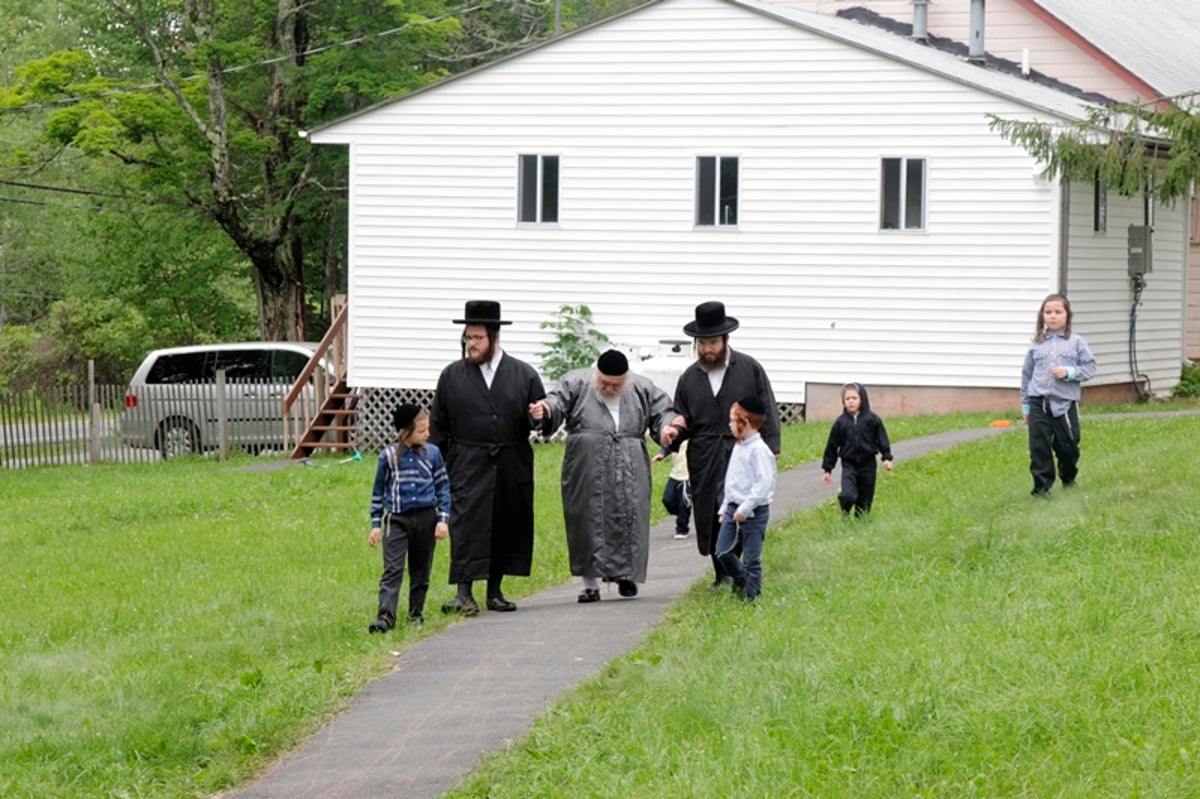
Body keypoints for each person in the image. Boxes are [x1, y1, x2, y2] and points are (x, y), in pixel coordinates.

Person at [430, 300, 547, 615]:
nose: (472, 344)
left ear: (495, 338)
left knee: (505, 522)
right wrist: (435, 468)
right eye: (468, 338)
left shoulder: (523, 374)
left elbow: (543, 419)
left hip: (511, 461)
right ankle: (463, 592)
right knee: (467, 523)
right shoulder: (452, 376)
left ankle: (495, 591)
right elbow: (438, 427)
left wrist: (540, 416)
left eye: (478, 338)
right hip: (467, 461)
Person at [530, 349, 674, 603]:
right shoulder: (577, 381)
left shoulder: (642, 387)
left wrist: (667, 429)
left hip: (630, 461)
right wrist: (546, 409)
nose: (608, 388)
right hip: (586, 462)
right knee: (586, 516)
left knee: (631, 512)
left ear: (626, 380)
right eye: (604, 382)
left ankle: (627, 576)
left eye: (614, 385)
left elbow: (663, 413)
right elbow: (556, 401)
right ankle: (589, 583)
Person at [660, 301, 780, 589]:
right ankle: (721, 571)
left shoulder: (749, 368)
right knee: (709, 513)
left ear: (725, 340)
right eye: (701, 343)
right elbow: (681, 415)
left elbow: (768, 407)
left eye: (712, 342)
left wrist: (773, 446)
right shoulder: (690, 376)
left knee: (740, 507)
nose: (706, 349)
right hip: (704, 454)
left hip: (742, 450)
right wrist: (671, 436)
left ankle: (738, 570)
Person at [367, 404, 450, 632]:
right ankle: (386, 618)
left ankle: (416, 614)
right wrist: (375, 524)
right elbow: (378, 492)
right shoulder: (388, 457)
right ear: (404, 432)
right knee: (392, 570)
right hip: (397, 520)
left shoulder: (433, 454)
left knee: (421, 571)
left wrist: (443, 519)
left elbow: (443, 487)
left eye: (427, 430)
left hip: (426, 519)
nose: (427, 434)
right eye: (421, 431)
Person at [1020, 292, 1096, 497]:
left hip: (1064, 404)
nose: (1053, 316)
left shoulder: (1077, 342)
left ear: (1067, 316)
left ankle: (1069, 477)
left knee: (1068, 447)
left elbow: (1089, 368)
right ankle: (1041, 489)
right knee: (1039, 448)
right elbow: (1026, 376)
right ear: (1042, 316)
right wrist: (1026, 406)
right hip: (1039, 403)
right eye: (1048, 312)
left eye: (1058, 312)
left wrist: (1069, 373)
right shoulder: (1036, 344)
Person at [714, 397, 777, 602]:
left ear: (745, 422)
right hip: (734, 506)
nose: (730, 425)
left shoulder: (759, 450)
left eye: (733, 421)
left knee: (751, 558)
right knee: (722, 551)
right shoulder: (739, 446)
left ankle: (752, 598)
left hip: (755, 510)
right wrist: (725, 507)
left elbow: (763, 484)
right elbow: (732, 479)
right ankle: (740, 579)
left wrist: (747, 508)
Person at [821, 382, 894, 517]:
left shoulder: (872, 420)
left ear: (862, 399)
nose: (851, 402)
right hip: (849, 464)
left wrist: (887, 457)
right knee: (848, 495)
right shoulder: (840, 423)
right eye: (847, 399)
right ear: (843, 402)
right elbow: (832, 446)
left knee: (865, 498)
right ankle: (845, 511)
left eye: (854, 398)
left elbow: (882, 439)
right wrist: (827, 469)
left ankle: (861, 521)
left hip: (868, 463)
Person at [652, 439, 691, 539]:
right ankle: (682, 512)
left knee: (684, 503)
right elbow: (668, 445)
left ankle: (682, 529)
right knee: (667, 499)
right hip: (675, 474)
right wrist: (662, 453)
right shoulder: (678, 433)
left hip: (688, 476)